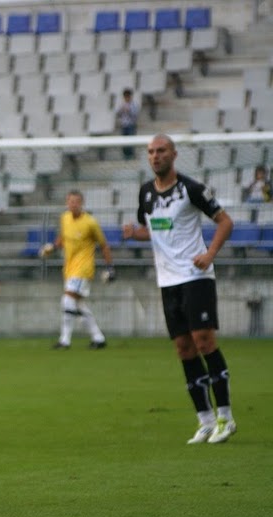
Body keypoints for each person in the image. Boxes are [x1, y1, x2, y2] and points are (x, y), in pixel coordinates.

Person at [122, 134, 236, 445]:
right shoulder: (145, 194)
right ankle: (205, 420)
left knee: (203, 340)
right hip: (167, 280)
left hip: (195, 275)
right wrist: (135, 233)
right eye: (150, 152)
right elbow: (157, 230)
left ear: (173, 154)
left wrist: (209, 254)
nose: (155, 156)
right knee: (183, 348)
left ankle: (225, 416)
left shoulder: (191, 189)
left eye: (160, 151)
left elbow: (225, 222)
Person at [39, 190, 114, 350]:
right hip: (69, 268)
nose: (73, 205)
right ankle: (98, 337)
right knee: (78, 304)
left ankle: (65, 340)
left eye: (76, 202)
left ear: (82, 203)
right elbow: (63, 238)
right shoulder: (65, 218)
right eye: (70, 202)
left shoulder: (90, 222)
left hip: (84, 268)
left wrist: (110, 267)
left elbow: (104, 245)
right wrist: (51, 247)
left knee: (67, 300)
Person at [116, 88, 140, 160]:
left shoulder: (134, 104)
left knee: (130, 141)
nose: (126, 98)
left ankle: (131, 156)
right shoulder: (122, 104)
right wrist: (121, 110)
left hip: (131, 125)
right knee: (124, 142)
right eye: (125, 96)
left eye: (127, 96)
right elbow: (118, 114)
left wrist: (129, 111)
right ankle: (125, 156)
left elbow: (135, 115)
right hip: (124, 125)